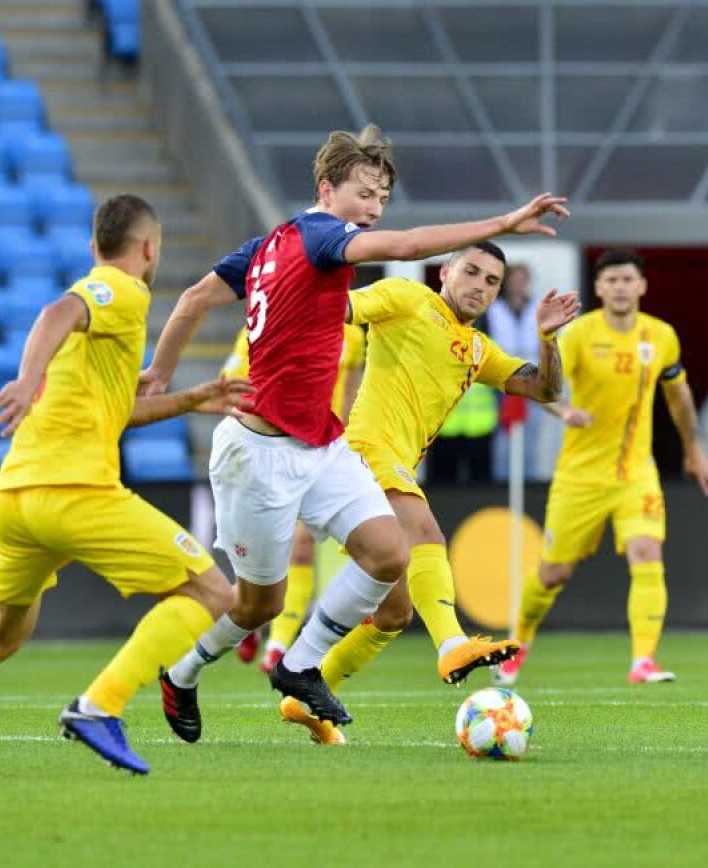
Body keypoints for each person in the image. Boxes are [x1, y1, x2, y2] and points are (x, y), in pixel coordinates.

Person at [145, 124, 569, 742]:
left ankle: (300, 667)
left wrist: (160, 372)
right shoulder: (326, 239)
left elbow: (192, 299)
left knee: (392, 554)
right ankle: (182, 674)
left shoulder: (269, 247)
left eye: (382, 199)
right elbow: (407, 245)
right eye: (364, 194)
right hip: (258, 453)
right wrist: (504, 222)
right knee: (261, 603)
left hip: (322, 444)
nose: (373, 209)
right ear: (326, 189)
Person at [0, 195, 247, 777]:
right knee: (212, 594)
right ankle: (99, 707)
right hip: (75, 492)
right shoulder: (122, 290)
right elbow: (57, 312)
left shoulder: (99, 335)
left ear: (93, 245)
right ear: (150, 248)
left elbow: (117, 412)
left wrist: (192, 399)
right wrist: (24, 380)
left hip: (15, 498)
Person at [277, 242, 578, 744]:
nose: (479, 286)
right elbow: (340, 308)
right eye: (471, 272)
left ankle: (306, 697)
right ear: (445, 272)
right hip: (364, 450)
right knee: (424, 532)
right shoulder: (406, 297)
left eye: (492, 281)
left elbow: (544, 390)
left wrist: (548, 338)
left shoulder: (478, 349)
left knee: (393, 613)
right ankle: (451, 644)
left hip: (392, 462)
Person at [497, 249, 708, 686]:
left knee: (647, 554)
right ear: (599, 287)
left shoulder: (661, 336)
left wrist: (693, 449)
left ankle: (643, 661)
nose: (620, 287)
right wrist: (564, 411)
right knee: (554, 573)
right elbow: (544, 386)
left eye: (627, 279)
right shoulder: (580, 334)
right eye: (612, 280)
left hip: (636, 472)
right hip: (580, 475)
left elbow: (678, 396)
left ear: (642, 285)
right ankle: (517, 644)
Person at [223, 323, 366, 673]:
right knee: (264, 552)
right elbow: (230, 387)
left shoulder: (352, 335)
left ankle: (278, 646)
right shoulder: (267, 321)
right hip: (268, 451)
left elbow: (349, 397)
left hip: (318, 453)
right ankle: (249, 617)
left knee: (301, 548)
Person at [488, 262, 546, 481]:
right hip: (501, 381)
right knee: (503, 438)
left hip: (532, 380)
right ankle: (501, 484)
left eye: (523, 279)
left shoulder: (538, 309)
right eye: (514, 279)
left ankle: (528, 483)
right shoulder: (493, 308)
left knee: (530, 436)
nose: (518, 284)